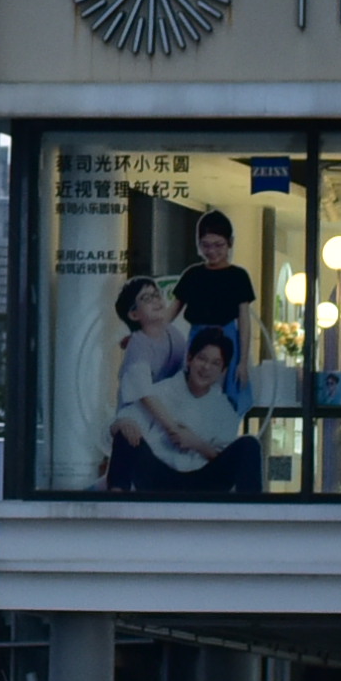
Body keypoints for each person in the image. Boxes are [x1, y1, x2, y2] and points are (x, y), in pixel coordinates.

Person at [135, 331, 259, 494]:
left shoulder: (224, 409)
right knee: (125, 433)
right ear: (189, 359)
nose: (206, 367)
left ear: (223, 370)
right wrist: (124, 423)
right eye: (202, 359)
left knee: (250, 444)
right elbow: (124, 427)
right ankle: (116, 500)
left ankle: (252, 508)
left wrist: (197, 444)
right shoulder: (161, 392)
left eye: (215, 363)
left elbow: (222, 461)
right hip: (159, 476)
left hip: (202, 482)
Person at [100, 279, 180, 493]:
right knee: (127, 434)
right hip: (142, 425)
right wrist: (174, 430)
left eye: (156, 294)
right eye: (146, 298)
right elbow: (145, 395)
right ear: (134, 315)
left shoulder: (174, 335)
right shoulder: (138, 346)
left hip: (167, 430)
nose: (156, 300)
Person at [173, 209, 262, 366]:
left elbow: (244, 323)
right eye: (206, 245)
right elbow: (170, 312)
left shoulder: (238, 276)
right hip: (197, 339)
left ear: (230, 242)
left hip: (227, 339)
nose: (212, 251)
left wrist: (243, 361)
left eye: (218, 245)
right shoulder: (192, 274)